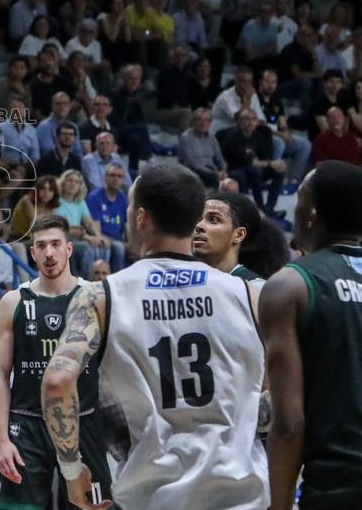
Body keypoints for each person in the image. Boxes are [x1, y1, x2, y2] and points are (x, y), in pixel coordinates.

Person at [42, 163, 268, 509]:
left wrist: (72, 470)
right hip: (241, 494)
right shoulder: (250, 293)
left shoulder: (101, 297)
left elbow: (57, 382)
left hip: (153, 495)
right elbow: (280, 395)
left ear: (141, 218)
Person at [0, 214, 113, 509]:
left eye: (56, 244)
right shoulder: (14, 301)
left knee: (95, 506)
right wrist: (1, 441)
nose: (49, 253)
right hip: (27, 425)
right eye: (41, 246)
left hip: (83, 422)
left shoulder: (95, 297)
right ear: (32, 252)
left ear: (69, 249)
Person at [259, 161, 362, 509]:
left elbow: (288, 423)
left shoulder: (290, 285)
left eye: (299, 197)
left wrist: (280, 505)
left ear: (311, 213)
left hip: (338, 487)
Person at [193, 192, 290, 289]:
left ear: (239, 234)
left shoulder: (256, 288)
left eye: (213, 219)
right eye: (198, 219)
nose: (199, 226)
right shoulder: (183, 279)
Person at [222, 109, 286, 218]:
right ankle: (260, 208)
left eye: (253, 119)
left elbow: (264, 157)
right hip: (235, 169)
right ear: (240, 121)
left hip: (252, 168)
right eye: (247, 119)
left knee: (279, 172)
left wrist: (275, 164)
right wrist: (270, 163)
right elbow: (244, 161)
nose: (251, 122)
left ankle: (269, 208)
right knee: (255, 170)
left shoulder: (256, 135)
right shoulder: (234, 136)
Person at [86, 164, 129, 271]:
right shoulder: (94, 197)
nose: (116, 179)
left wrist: (131, 243)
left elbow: (126, 224)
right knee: (119, 248)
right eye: (112, 175)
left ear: (123, 180)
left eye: (119, 176)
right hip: (102, 237)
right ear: (105, 177)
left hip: (118, 240)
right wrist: (102, 238)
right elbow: (95, 226)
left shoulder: (122, 198)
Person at [179, 108, 229, 189]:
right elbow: (192, 164)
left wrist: (223, 170)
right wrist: (215, 173)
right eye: (199, 120)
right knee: (213, 178)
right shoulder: (186, 138)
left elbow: (220, 159)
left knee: (237, 178)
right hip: (193, 172)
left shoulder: (212, 139)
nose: (203, 123)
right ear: (193, 121)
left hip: (212, 172)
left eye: (207, 120)